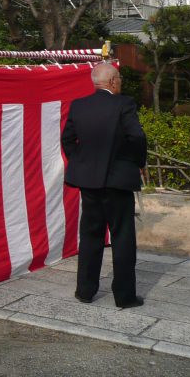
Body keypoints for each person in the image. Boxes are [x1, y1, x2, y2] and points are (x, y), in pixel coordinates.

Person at [61, 62, 147, 309]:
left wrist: (81, 162)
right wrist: (138, 161)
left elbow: (67, 139)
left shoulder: (79, 105)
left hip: (89, 181)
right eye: (119, 78)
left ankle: (85, 290)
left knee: (90, 236)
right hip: (118, 181)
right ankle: (124, 295)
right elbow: (137, 136)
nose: (120, 82)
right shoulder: (124, 104)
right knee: (122, 237)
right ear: (112, 82)